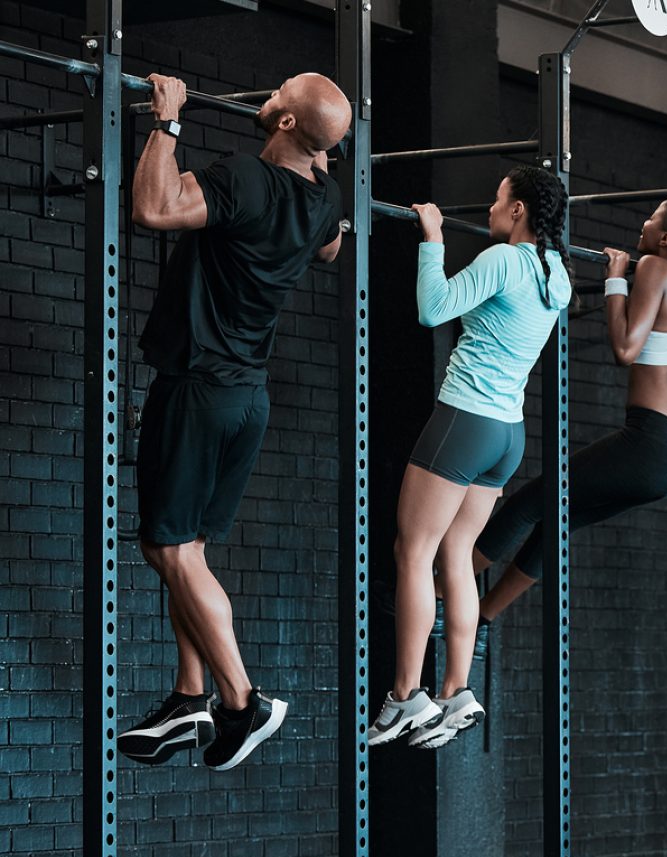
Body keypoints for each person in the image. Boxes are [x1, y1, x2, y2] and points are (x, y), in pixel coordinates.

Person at [119, 73, 352, 770]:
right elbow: (332, 248)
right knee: (187, 551)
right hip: (246, 397)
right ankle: (190, 698)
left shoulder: (243, 180)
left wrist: (168, 120)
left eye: (277, 91)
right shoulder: (325, 198)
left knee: (169, 552)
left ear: (283, 123)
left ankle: (242, 702)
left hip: (198, 388)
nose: (269, 92)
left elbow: (154, 209)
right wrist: (320, 156)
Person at [469, 197, 667, 623]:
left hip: (651, 444)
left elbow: (624, 348)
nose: (644, 221)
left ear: (666, 237)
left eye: (653, 217)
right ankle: (482, 619)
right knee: (558, 519)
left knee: (527, 504)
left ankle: (438, 590)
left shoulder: (656, 269)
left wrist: (617, 280)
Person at [366, 166, 572, 750]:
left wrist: (431, 238)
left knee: (414, 552)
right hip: (507, 433)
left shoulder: (504, 260)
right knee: (455, 553)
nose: (488, 210)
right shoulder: (555, 273)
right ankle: (456, 688)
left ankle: (406, 696)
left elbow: (434, 309)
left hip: (466, 419)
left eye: (497, 199)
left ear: (519, 212)